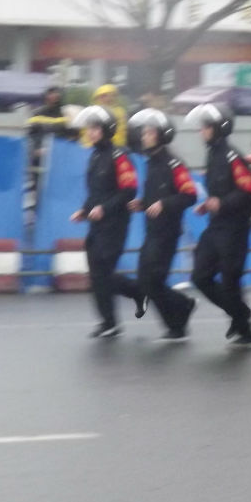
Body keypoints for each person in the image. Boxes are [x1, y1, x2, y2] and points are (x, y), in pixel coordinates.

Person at [185, 103, 251, 347]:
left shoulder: (232, 157)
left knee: (230, 281)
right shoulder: (212, 155)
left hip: (234, 228)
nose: (202, 131)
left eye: (206, 126)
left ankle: (245, 328)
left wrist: (222, 203)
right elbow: (218, 191)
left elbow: (249, 191)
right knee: (200, 276)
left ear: (220, 128)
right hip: (216, 225)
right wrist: (208, 205)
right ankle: (240, 313)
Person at [69, 105, 143, 338]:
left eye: (95, 128)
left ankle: (130, 300)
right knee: (96, 274)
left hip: (115, 224)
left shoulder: (119, 156)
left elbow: (129, 190)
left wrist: (105, 208)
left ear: (107, 129)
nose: (90, 132)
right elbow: (96, 192)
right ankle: (110, 319)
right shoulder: (95, 156)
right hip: (96, 224)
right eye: (89, 128)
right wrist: (84, 211)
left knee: (103, 272)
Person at [127, 109, 198, 341]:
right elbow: (155, 196)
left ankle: (179, 317)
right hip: (152, 230)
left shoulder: (174, 164)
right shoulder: (151, 163)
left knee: (152, 281)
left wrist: (164, 204)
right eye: (144, 132)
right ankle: (180, 313)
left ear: (162, 135)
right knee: (145, 280)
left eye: (149, 132)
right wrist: (143, 204)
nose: (144, 136)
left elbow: (189, 195)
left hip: (167, 232)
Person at [79, 84, 127, 149]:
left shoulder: (119, 112)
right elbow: (85, 131)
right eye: (103, 96)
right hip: (91, 147)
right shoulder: (92, 111)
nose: (108, 98)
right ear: (97, 98)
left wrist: (110, 146)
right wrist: (88, 145)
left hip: (111, 147)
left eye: (111, 95)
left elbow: (120, 133)